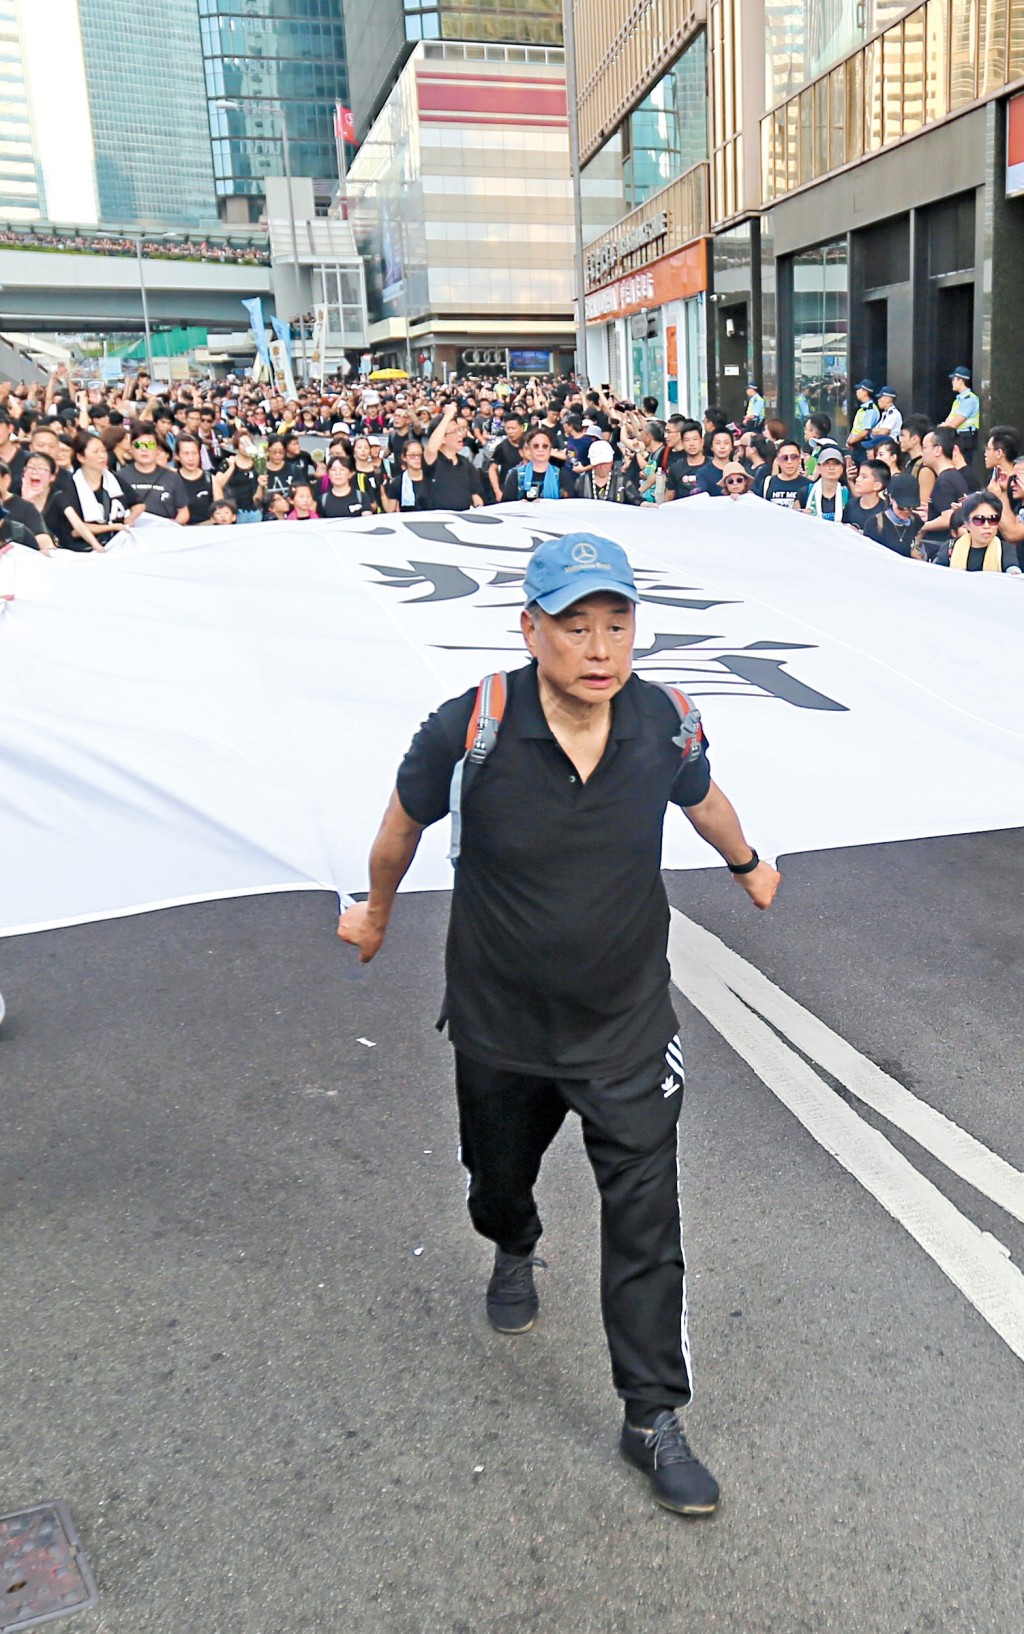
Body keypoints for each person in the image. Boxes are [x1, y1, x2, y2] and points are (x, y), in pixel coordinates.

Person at [337, 531, 780, 1518]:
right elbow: (400, 824)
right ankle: (511, 1235)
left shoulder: (663, 720)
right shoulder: (474, 724)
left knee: (647, 1222)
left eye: (615, 624)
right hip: (501, 1021)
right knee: (497, 1175)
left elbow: (701, 801)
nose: (598, 646)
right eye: (573, 625)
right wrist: (373, 908)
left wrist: (749, 861)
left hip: (626, 1024)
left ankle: (651, 1413)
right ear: (529, 629)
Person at [48, 431, 143, 551]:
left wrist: (130, 518)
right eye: (95, 452)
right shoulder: (69, 486)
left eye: (103, 451)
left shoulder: (113, 479)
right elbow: (76, 530)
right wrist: (112, 527)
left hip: (118, 544)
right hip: (83, 548)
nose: (102, 456)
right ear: (81, 457)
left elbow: (138, 503)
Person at [916, 427, 971, 560]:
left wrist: (921, 527)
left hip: (940, 549)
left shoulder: (944, 481)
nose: (921, 452)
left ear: (938, 450)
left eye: (924, 447)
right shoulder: (954, 475)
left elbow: (948, 518)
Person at [119, 423, 190, 522]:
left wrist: (171, 526)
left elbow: (183, 512)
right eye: (138, 445)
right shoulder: (120, 477)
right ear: (131, 448)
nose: (144, 449)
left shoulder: (172, 477)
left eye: (150, 445)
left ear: (157, 449)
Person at [424, 402, 486, 509]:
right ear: (442, 438)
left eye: (460, 430)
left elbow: (475, 493)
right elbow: (431, 448)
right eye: (454, 431)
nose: (460, 435)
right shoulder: (432, 460)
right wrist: (448, 416)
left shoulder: (465, 463)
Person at [946, 490, 1022, 573]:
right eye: (979, 520)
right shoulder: (950, 547)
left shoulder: (1004, 549)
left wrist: (1015, 572)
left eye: (993, 519)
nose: (987, 526)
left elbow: (1012, 569)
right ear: (967, 524)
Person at [501, 428, 568, 502]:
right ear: (529, 450)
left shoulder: (560, 476)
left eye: (545, 446)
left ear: (550, 450)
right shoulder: (516, 476)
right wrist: (519, 505)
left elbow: (568, 506)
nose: (540, 450)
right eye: (536, 446)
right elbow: (506, 505)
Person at [842, 459, 889, 543]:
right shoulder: (851, 505)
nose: (857, 479)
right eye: (859, 475)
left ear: (877, 485)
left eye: (864, 477)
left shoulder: (885, 511)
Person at [877, 473, 922, 557]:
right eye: (902, 507)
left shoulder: (915, 520)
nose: (907, 511)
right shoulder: (875, 524)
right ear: (890, 498)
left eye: (912, 507)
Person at [174, 435, 215, 526]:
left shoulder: (210, 479)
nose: (190, 458)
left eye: (194, 453)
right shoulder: (171, 479)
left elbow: (220, 510)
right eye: (186, 453)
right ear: (177, 456)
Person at [664, 421, 711, 500]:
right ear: (682, 442)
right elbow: (668, 498)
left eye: (695, 439)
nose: (691, 444)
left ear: (702, 441)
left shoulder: (713, 465)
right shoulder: (675, 468)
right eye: (687, 440)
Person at [940, 367, 980, 458]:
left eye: (954, 379)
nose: (952, 382)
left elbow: (954, 423)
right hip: (958, 438)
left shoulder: (969, 399)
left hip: (965, 439)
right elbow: (949, 420)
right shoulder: (958, 400)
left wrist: (943, 426)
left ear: (961, 381)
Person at [803, 444, 848, 522]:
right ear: (819, 468)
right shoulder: (805, 492)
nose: (831, 468)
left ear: (842, 468)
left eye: (836, 464)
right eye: (826, 463)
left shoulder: (847, 493)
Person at [382, 440, 430, 512]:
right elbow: (390, 510)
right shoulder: (397, 482)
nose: (417, 459)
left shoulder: (431, 479)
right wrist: (382, 491)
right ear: (404, 457)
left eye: (420, 455)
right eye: (412, 455)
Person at [762, 441, 810, 509]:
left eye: (794, 457)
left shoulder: (809, 486)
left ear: (799, 459)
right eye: (784, 458)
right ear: (778, 460)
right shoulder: (767, 483)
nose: (789, 462)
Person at [846, 381, 879, 466]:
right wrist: (850, 439)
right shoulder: (862, 408)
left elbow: (865, 431)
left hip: (863, 446)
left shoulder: (870, 409)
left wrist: (851, 441)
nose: (857, 391)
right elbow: (856, 428)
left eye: (859, 389)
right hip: (856, 446)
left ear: (865, 391)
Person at [694, 428, 736, 496]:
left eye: (726, 443)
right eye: (717, 443)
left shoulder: (739, 470)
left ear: (732, 447)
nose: (722, 447)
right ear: (711, 447)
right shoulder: (703, 473)